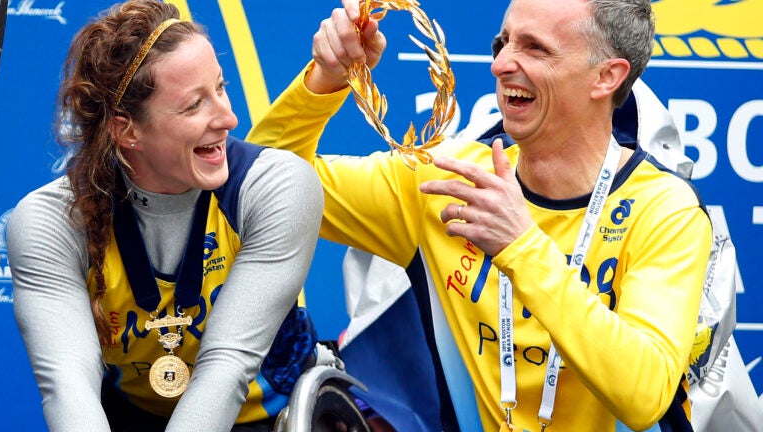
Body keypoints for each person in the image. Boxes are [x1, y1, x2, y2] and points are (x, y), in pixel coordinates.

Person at [246, 0, 715, 431]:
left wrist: (521, 248)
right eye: (502, 42)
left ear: (606, 77)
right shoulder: (446, 179)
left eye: (535, 48)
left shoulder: (665, 211)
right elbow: (261, 190)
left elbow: (643, 396)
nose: (501, 64)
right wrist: (324, 79)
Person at [7, 1, 324, 431]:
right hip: (133, 419)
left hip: (271, 415)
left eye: (221, 87)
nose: (229, 118)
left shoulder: (276, 186)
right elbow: (69, 384)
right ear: (127, 130)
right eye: (194, 105)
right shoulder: (52, 221)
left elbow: (226, 365)